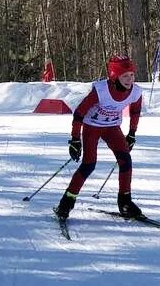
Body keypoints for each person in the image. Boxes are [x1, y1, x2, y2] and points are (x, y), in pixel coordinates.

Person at [54, 55, 143, 221]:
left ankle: (125, 202)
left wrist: (132, 133)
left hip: (112, 128)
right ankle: (66, 202)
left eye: (132, 75)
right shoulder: (101, 91)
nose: (129, 79)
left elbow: (135, 112)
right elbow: (79, 114)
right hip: (92, 127)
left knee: (125, 160)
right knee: (89, 165)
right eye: (125, 76)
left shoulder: (136, 92)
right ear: (114, 76)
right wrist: (75, 139)